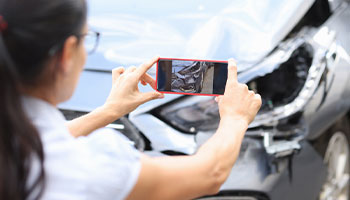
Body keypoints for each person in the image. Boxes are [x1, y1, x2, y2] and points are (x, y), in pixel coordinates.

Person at [0, 0, 261, 199]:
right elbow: (209, 174)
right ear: (66, 54)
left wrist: (108, 111)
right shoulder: (90, 165)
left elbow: (37, 143)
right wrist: (235, 118)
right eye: (86, 39)